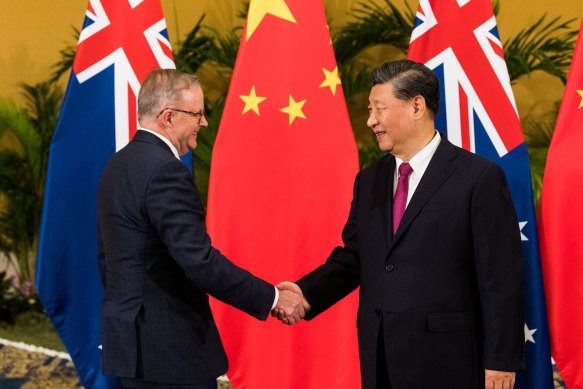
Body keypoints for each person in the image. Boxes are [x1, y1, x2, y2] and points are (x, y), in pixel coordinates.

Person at [275, 60, 525, 389]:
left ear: (416, 105)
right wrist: (306, 293)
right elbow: (355, 257)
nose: (371, 120)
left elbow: (500, 279)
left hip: (450, 361)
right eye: (370, 109)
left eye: (379, 109)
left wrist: (501, 359)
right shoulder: (370, 180)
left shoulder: (478, 178)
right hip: (381, 357)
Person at [97, 68, 306, 389]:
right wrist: (273, 298)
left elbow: (107, 259)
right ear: (168, 117)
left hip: (131, 344)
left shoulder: (117, 164)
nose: (204, 122)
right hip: (171, 351)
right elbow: (198, 261)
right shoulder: (166, 172)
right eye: (198, 113)